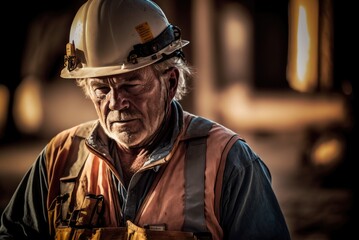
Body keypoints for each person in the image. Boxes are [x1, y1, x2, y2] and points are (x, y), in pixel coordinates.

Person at [0, 0, 291, 239]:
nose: (116, 103)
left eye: (131, 85)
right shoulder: (58, 158)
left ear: (171, 82)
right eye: (101, 88)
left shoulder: (230, 163)